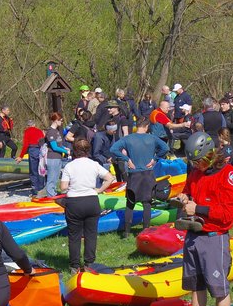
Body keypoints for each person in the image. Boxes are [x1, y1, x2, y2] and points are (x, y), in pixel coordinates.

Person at [175, 132, 233, 306]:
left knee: (218, 286)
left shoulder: (229, 175)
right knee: (196, 283)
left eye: (198, 161)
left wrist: (198, 209)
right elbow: (189, 188)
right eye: (193, 163)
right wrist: (184, 196)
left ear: (209, 155)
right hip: (193, 234)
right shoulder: (197, 172)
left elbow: (228, 214)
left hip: (214, 236)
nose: (195, 166)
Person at [60, 138, 115, 273]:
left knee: (74, 236)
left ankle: (74, 266)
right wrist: (99, 190)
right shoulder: (94, 164)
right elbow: (110, 178)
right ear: (88, 150)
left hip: (74, 203)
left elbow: (63, 187)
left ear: (74, 150)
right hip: (91, 200)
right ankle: (89, 264)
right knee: (91, 234)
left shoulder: (69, 166)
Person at [110, 116, 170, 237]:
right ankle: (145, 231)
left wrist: (126, 159)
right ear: (147, 127)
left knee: (130, 204)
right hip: (148, 174)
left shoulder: (128, 138)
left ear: (137, 126)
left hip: (134, 175)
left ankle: (126, 232)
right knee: (147, 203)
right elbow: (166, 148)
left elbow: (113, 149)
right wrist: (155, 159)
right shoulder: (152, 138)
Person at [16, 118, 46, 195]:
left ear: (28, 125)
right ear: (34, 125)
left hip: (32, 150)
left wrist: (21, 156)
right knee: (41, 169)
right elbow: (43, 142)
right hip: (41, 150)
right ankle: (41, 187)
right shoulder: (39, 131)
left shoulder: (27, 131)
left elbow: (25, 145)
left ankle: (35, 189)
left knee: (33, 170)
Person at [44, 112, 69, 197]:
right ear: (56, 120)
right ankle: (50, 195)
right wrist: (66, 152)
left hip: (58, 157)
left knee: (56, 177)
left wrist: (65, 148)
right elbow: (54, 147)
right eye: (61, 120)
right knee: (51, 178)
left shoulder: (56, 131)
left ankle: (53, 192)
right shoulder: (51, 132)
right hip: (52, 158)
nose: (61, 122)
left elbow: (59, 144)